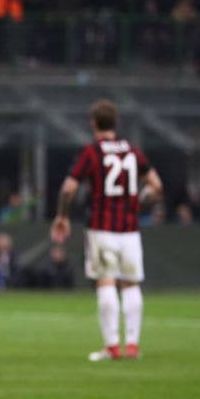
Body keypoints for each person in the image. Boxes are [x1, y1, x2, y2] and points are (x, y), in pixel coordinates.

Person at [51, 99, 163, 361]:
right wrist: (137, 202)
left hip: (101, 228)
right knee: (131, 283)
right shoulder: (134, 152)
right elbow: (156, 187)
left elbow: (69, 187)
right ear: (117, 123)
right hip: (130, 229)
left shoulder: (92, 152)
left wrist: (62, 216)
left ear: (93, 124)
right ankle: (132, 345)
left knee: (106, 281)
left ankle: (112, 346)